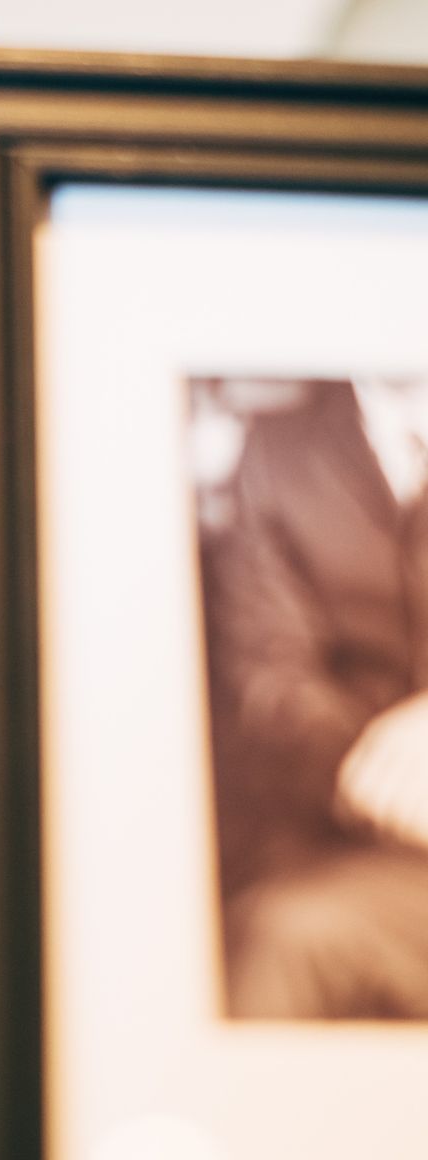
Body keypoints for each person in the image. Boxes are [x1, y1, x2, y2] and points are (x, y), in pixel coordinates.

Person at [207, 376, 428, 1018]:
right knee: (277, 937)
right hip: (361, 845)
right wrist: (384, 775)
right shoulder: (275, 452)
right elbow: (269, 678)